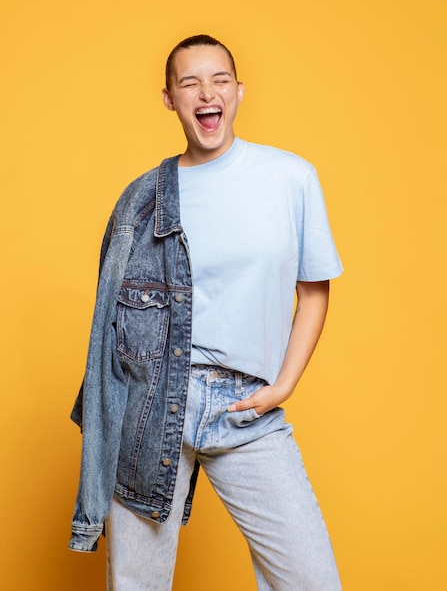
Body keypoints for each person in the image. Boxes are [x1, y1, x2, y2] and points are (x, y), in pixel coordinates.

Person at [69, 34, 343, 591]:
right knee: (136, 584)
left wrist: (284, 385)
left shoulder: (290, 178)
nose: (205, 92)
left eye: (218, 79)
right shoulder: (141, 198)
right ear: (169, 98)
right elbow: (107, 332)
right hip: (149, 406)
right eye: (188, 82)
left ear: (239, 91)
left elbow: (313, 290)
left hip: (245, 407)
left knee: (311, 580)